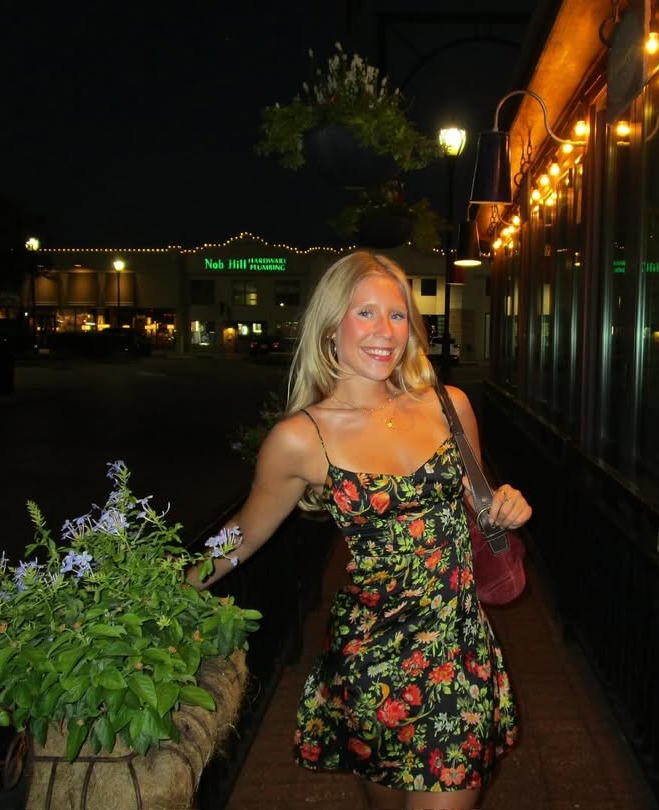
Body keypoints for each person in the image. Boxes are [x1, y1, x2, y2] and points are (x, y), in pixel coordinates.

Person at [189, 251, 532, 809]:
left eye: (397, 316)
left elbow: (482, 502)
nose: (385, 332)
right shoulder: (301, 438)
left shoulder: (449, 405)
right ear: (331, 327)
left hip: (457, 648)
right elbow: (243, 535)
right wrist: (170, 588)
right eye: (365, 313)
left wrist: (505, 504)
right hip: (370, 659)